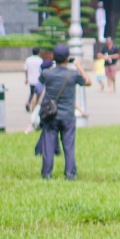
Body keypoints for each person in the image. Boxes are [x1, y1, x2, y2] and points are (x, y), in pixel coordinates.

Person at [35, 45, 88, 180]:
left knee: (49, 146)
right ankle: (70, 174)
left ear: (53, 57)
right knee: (69, 146)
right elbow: (88, 82)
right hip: (68, 116)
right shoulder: (73, 74)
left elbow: (42, 81)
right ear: (68, 58)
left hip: (51, 115)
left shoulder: (47, 73)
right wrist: (79, 66)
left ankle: (47, 174)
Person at [23, 46, 48, 114]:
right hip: (38, 80)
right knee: (37, 94)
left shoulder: (28, 59)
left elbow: (25, 69)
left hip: (31, 80)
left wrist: (26, 78)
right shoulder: (40, 60)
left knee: (32, 93)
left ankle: (29, 103)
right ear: (39, 52)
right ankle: (34, 105)